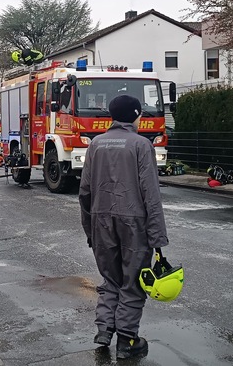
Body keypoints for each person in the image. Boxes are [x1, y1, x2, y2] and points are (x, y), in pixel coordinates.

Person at [78, 95, 169, 360]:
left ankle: (105, 329)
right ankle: (128, 340)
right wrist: (157, 238)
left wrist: (89, 230)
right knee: (132, 282)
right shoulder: (142, 145)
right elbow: (150, 194)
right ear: (136, 115)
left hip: (101, 220)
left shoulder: (96, 144)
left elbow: (85, 192)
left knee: (111, 278)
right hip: (134, 222)